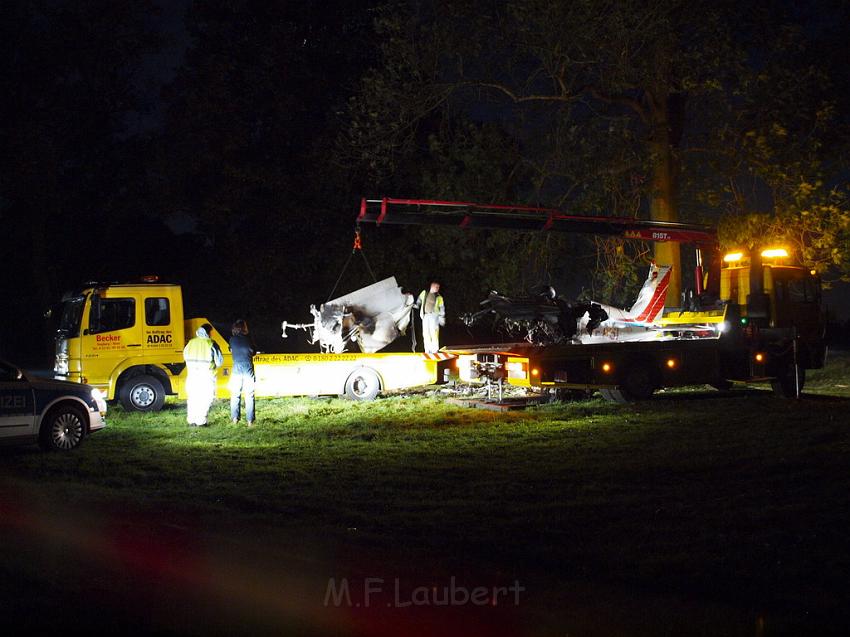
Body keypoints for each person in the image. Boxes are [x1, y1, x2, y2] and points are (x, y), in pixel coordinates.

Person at [182, 323, 223, 426]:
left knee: (192, 398)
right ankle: (201, 422)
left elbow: (185, 356)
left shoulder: (190, 343)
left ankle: (192, 421)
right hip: (206, 376)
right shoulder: (211, 343)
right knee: (205, 398)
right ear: (208, 332)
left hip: (192, 376)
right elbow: (219, 362)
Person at [228, 319, 256, 425]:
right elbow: (253, 352)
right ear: (244, 328)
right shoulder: (249, 339)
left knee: (235, 394)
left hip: (237, 367)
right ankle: (250, 421)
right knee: (249, 394)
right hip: (248, 367)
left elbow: (231, 350)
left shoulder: (232, 339)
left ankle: (235, 419)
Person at [415, 281, 446, 353]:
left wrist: (442, 318)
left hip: (434, 316)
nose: (438, 288)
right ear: (432, 286)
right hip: (425, 315)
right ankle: (427, 349)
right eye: (436, 287)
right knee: (425, 333)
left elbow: (442, 308)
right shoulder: (424, 292)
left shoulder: (439, 297)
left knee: (434, 332)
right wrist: (417, 305)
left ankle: (435, 349)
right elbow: (419, 299)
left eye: (438, 287)